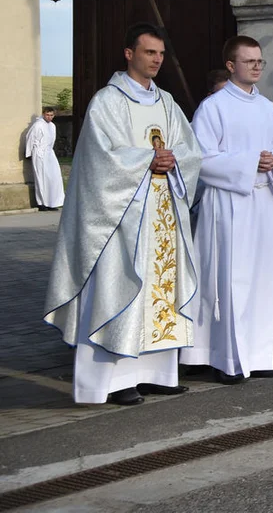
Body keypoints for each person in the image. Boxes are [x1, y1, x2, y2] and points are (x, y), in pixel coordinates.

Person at [43, 23, 201, 405]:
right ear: (129, 53)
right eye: (149, 53)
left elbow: (190, 149)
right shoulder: (107, 102)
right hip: (120, 218)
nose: (157, 60)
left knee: (158, 290)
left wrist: (174, 159)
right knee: (120, 291)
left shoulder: (166, 103)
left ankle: (157, 373)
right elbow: (100, 161)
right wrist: (148, 159)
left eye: (161, 54)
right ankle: (112, 381)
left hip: (162, 215)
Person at [181, 36, 273, 384]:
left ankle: (260, 356)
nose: (257, 66)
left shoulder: (268, 108)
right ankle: (226, 359)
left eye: (260, 61)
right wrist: (250, 163)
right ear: (231, 66)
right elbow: (199, 158)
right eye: (250, 62)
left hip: (263, 203)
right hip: (228, 204)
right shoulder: (212, 108)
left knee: (263, 279)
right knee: (231, 280)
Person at [25, 106, 65, 210]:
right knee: (41, 178)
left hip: (49, 153)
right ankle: (41, 203)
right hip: (39, 153)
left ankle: (52, 202)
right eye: (47, 115)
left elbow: (51, 141)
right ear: (43, 114)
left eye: (51, 115)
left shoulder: (52, 126)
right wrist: (29, 153)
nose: (49, 117)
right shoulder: (38, 125)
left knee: (53, 177)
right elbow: (30, 138)